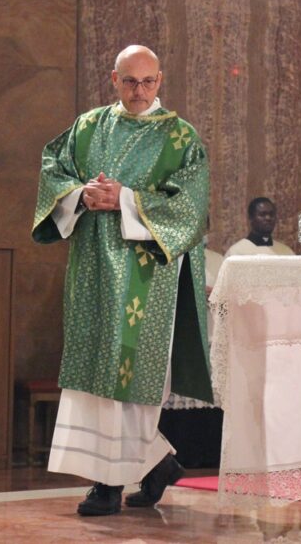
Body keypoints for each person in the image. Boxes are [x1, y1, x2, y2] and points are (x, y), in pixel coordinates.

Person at [32, 45, 212, 516]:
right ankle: (156, 465)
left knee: (127, 378)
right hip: (92, 271)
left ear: (160, 81)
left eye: (148, 81)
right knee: (91, 374)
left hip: (146, 279)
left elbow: (191, 210)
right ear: (114, 79)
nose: (139, 91)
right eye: (130, 81)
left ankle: (108, 484)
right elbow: (54, 170)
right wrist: (80, 194)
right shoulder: (89, 127)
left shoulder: (180, 137)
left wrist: (127, 200)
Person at [225, 197, 296, 257]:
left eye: (271, 214)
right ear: (251, 218)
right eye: (262, 214)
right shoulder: (236, 253)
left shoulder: (286, 252)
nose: (268, 218)